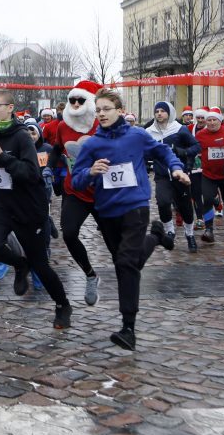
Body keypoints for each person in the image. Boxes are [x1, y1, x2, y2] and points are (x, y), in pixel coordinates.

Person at [72, 87, 190, 350]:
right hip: (107, 212)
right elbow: (76, 181)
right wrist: (90, 171)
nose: (102, 114)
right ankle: (157, 236)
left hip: (135, 207)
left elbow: (163, 152)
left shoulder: (137, 136)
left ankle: (128, 328)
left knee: (126, 262)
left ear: (120, 111)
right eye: (98, 110)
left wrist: (176, 168)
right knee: (127, 263)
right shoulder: (92, 144)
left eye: (107, 109)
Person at [0, 90, 73, 329]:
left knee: (40, 264)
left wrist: (4, 158)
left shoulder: (22, 137)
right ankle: (20, 265)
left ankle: (62, 305)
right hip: (2, 205)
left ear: (11, 108)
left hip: (29, 209)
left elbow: (31, 174)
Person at [48, 80, 103, 306]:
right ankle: (90, 275)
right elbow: (56, 149)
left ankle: (126, 280)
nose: (76, 104)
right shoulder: (63, 126)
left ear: (91, 102)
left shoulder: (102, 125)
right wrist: (48, 169)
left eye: (81, 100)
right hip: (75, 190)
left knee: (115, 242)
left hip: (102, 192)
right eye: (73, 100)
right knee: (69, 233)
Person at [145, 101, 200, 253]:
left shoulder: (179, 129)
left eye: (163, 111)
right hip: (162, 175)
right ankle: (170, 230)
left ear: (169, 113)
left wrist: (183, 152)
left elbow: (196, 146)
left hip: (180, 175)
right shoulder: (149, 132)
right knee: (162, 202)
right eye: (157, 111)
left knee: (185, 208)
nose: (159, 113)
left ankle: (189, 234)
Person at [194, 107, 224, 242]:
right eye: (209, 120)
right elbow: (195, 149)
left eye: (214, 120)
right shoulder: (201, 135)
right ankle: (209, 229)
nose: (211, 123)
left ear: (220, 121)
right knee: (208, 199)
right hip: (208, 174)